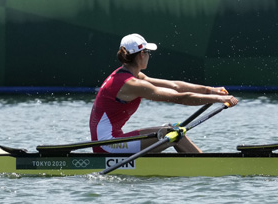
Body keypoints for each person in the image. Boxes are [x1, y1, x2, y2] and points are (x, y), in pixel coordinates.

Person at [89, 33, 238, 154]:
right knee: (172, 133)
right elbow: (179, 98)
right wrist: (219, 98)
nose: (149, 56)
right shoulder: (131, 84)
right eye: (148, 52)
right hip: (107, 145)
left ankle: (197, 163)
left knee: (169, 129)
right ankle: (208, 167)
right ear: (141, 54)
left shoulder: (132, 75)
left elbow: (174, 85)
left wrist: (209, 90)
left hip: (112, 141)